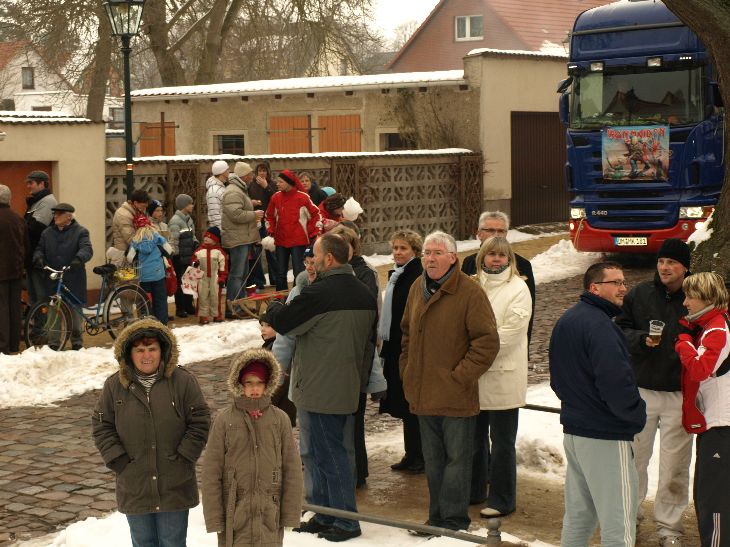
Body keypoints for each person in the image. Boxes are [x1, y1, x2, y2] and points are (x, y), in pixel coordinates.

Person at [266, 233, 377, 542]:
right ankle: (326, 514)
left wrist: (273, 307)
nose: (311, 260)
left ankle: (345, 521)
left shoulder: (320, 292)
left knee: (330, 455)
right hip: (343, 384)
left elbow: (285, 322)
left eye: (314, 255)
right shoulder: (363, 291)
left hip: (320, 387)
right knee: (321, 454)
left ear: (329, 258)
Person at [400, 230, 500, 532]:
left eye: (437, 253)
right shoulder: (417, 287)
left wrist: (459, 377)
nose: (429, 259)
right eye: (426, 253)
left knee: (457, 461)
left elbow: (486, 343)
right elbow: (406, 334)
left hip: (455, 394)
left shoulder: (470, 292)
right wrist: (408, 370)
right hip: (423, 392)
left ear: (453, 258)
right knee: (433, 461)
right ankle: (436, 519)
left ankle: (454, 521)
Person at [549, 262, 647, 547]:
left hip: (576, 430)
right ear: (595, 288)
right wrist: (635, 415)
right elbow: (616, 383)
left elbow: (557, 379)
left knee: (579, 516)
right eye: (616, 282)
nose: (623, 288)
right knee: (619, 523)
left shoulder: (569, 319)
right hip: (605, 434)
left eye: (624, 282)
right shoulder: (602, 327)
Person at [92, 319, 210, 547]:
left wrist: (184, 457)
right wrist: (119, 460)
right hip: (134, 483)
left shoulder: (183, 381)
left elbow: (200, 420)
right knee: (143, 542)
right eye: (139, 350)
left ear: (162, 350)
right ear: (129, 354)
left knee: (172, 542)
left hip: (174, 484)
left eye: (152, 348)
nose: (146, 355)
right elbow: (101, 424)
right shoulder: (114, 386)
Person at [615, 238, 693, 545]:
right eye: (661, 261)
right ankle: (628, 518)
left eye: (671, 262)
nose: (664, 267)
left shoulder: (695, 296)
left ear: (685, 267)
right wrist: (640, 340)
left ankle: (669, 527)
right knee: (635, 459)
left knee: (675, 465)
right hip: (642, 390)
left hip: (679, 392)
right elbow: (620, 329)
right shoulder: (640, 294)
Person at [201, 348, 302, 547]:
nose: (254, 388)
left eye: (259, 383)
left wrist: (290, 515)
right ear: (239, 383)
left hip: (269, 516)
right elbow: (211, 471)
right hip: (234, 516)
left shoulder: (279, 419)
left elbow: (292, 469)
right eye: (249, 382)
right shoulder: (224, 420)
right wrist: (214, 518)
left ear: (267, 384)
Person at [471, 236, 531, 518]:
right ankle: (474, 491)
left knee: (503, 443)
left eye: (502, 255)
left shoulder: (518, 288)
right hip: (474, 377)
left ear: (510, 260)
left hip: (503, 377)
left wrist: (475, 352)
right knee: (474, 440)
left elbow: (510, 333)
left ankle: (503, 498)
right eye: (491, 254)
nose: (496, 259)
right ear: (482, 257)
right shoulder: (473, 285)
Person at [674, 272, 730, 547]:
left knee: (713, 500)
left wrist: (683, 342)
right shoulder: (713, 325)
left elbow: (699, 369)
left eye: (690, 297)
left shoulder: (717, 329)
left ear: (707, 298)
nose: (685, 302)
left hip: (721, 426)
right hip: (717, 424)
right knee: (708, 495)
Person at [378, 229, 424, 473]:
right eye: (395, 248)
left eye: (403, 248)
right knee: (404, 406)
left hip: (407, 348)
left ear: (414, 251)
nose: (397, 252)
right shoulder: (398, 275)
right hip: (394, 347)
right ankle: (411, 453)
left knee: (411, 404)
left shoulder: (416, 275)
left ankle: (420, 455)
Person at [461, 211, 536, 345]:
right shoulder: (469, 263)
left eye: (501, 231)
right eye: (491, 230)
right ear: (479, 234)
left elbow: (526, 314)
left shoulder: (522, 265)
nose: (496, 235)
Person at [33, 203, 93, 351]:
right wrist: (38, 258)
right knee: (54, 309)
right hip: (53, 277)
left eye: (59, 214)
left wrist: (78, 259)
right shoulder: (47, 233)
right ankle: (54, 342)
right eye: (54, 214)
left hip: (73, 276)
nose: (55, 216)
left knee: (75, 310)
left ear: (69, 217)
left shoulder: (81, 232)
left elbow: (86, 248)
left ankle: (77, 341)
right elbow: (39, 249)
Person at [265, 169, 321, 291]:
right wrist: (271, 229)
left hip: (299, 241)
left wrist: (311, 231)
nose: (277, 184)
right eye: (277, 181)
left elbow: (316, 214)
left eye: (280, 182)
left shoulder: (303, 197)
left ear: (289, 182)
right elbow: (269, 216)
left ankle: (298, 296)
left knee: (299, 272)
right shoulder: (275, 197)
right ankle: (280, 298)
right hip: (280, 240)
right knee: (280, 272)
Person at [222, 162, 261, 312]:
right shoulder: (234, 191)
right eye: (250, 174)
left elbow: (238, 208)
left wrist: (250, 205)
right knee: (237, 275)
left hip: (241, 238)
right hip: (237, 239)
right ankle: (233, 308)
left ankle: (240, 306)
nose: (252, 177)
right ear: (244, 176)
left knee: (242, 274)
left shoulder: (238, 189)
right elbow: (236, 214)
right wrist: (254, 214)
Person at [127, 214, 173, 325]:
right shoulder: (158, 239)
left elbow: (130, 258)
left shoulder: (135, 241)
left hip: (143, 277)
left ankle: (146, 324)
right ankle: (162, 324)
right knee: (160, 300)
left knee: (145, 301)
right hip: (158, 276)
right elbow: (170, 251)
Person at [0, 185, 28, 354]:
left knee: (2, 308)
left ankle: (2, 346)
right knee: (14, 308)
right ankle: (13, 344)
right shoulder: (18, 219)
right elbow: (26, 245)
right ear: (9, 199)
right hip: (16, 270)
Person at [24, 170, 57, 306]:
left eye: (31, 183)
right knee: (33, 296)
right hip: (32, 258)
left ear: (42, 184)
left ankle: (42, 320)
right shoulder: (37, 201)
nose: (28, 186)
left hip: (40, 259)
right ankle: (37, 319)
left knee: (40, 297)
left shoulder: (47, 202)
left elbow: (36, 229)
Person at [248, 162, 278, 290]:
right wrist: (252, 203)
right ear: (256, 172)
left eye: (264, 170)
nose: (262, 173)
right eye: (260, 170)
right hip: (256, 222)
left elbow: (277, 199)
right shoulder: (251, 185)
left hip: (270, 222)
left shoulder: (273, 184)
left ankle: (275, 279)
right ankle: (259, 282)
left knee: (271, 251)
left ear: (268, 172)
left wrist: (266, 187)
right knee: (256, 253)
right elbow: (246, 200)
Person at [168, 194, 198, 319]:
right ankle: (180, 308)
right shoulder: (175, 221)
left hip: (189, 256)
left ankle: (188, 305)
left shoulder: (189, 219)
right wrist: (175, 256)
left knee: (190, 280)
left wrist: (195, 243)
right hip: (180, 257)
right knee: (180, 283)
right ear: (184, 205)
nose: (192, 205)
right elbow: (173, 240)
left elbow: (193, 235)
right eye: (190, 203)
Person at [192, 226, 228, 325]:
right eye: (205, 237)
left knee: (215, 296)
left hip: (215, 278)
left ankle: (217, 315)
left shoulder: (219, 252)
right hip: (202, 278)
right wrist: (195, 263)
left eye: (209, 237)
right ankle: (203, 316)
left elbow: (223, 266)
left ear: (215, 240)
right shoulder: (199, 251)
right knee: (202, 297)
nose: (206, 238)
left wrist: (222, 278)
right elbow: (193, 262)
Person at [111, 189, 150, 255]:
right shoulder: (123, 215)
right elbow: (131, 238)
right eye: (143, 206)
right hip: (123, 254)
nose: (144, 209)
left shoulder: (136, 212)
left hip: (131, 252)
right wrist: (148, 247)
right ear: (135, 203)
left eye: (146, 207)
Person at [205, 160, 229, 229]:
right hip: (221, 231)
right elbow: (214, 215)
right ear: (222, 172)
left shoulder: (221, 187)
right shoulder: (214, 191)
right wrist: (223, 231)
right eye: (227, 170)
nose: (229, 171)